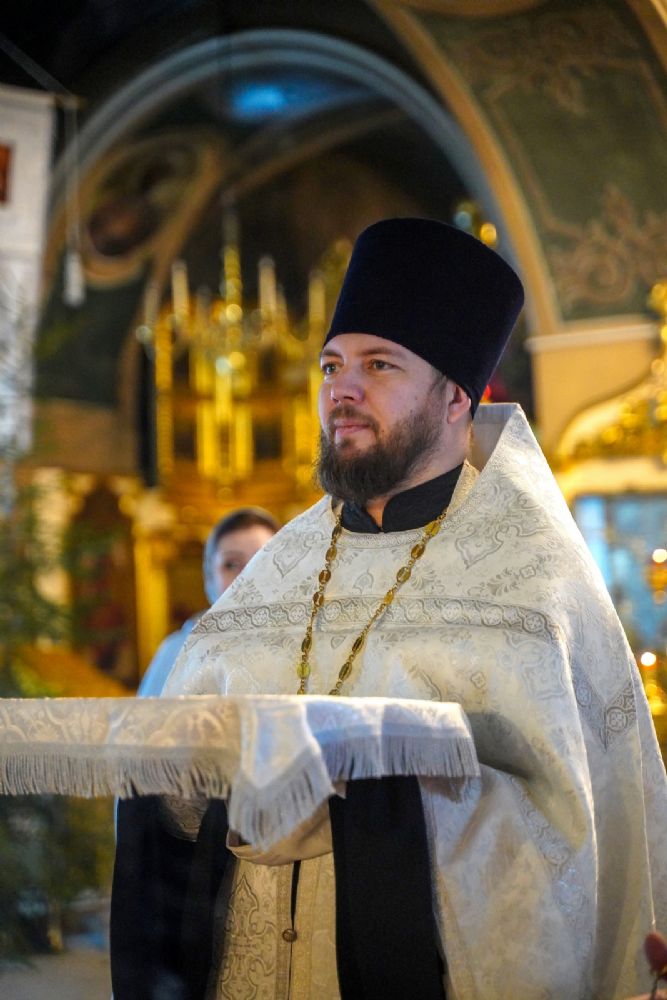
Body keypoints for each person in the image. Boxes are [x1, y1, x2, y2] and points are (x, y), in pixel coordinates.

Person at [113, 218, 667, 1000]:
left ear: (454, 397)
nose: (341, 389)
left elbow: (573, 831)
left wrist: (366, 809)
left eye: (378, 364)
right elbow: (178, 778)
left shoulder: (535, 582)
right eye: (331, 365)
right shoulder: (275, 572)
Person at [137, 507, 279, 696]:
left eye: (263, 560)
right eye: (232, 564)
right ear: (209, 578)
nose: (248, 576)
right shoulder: (177, 651)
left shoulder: (307, 648)